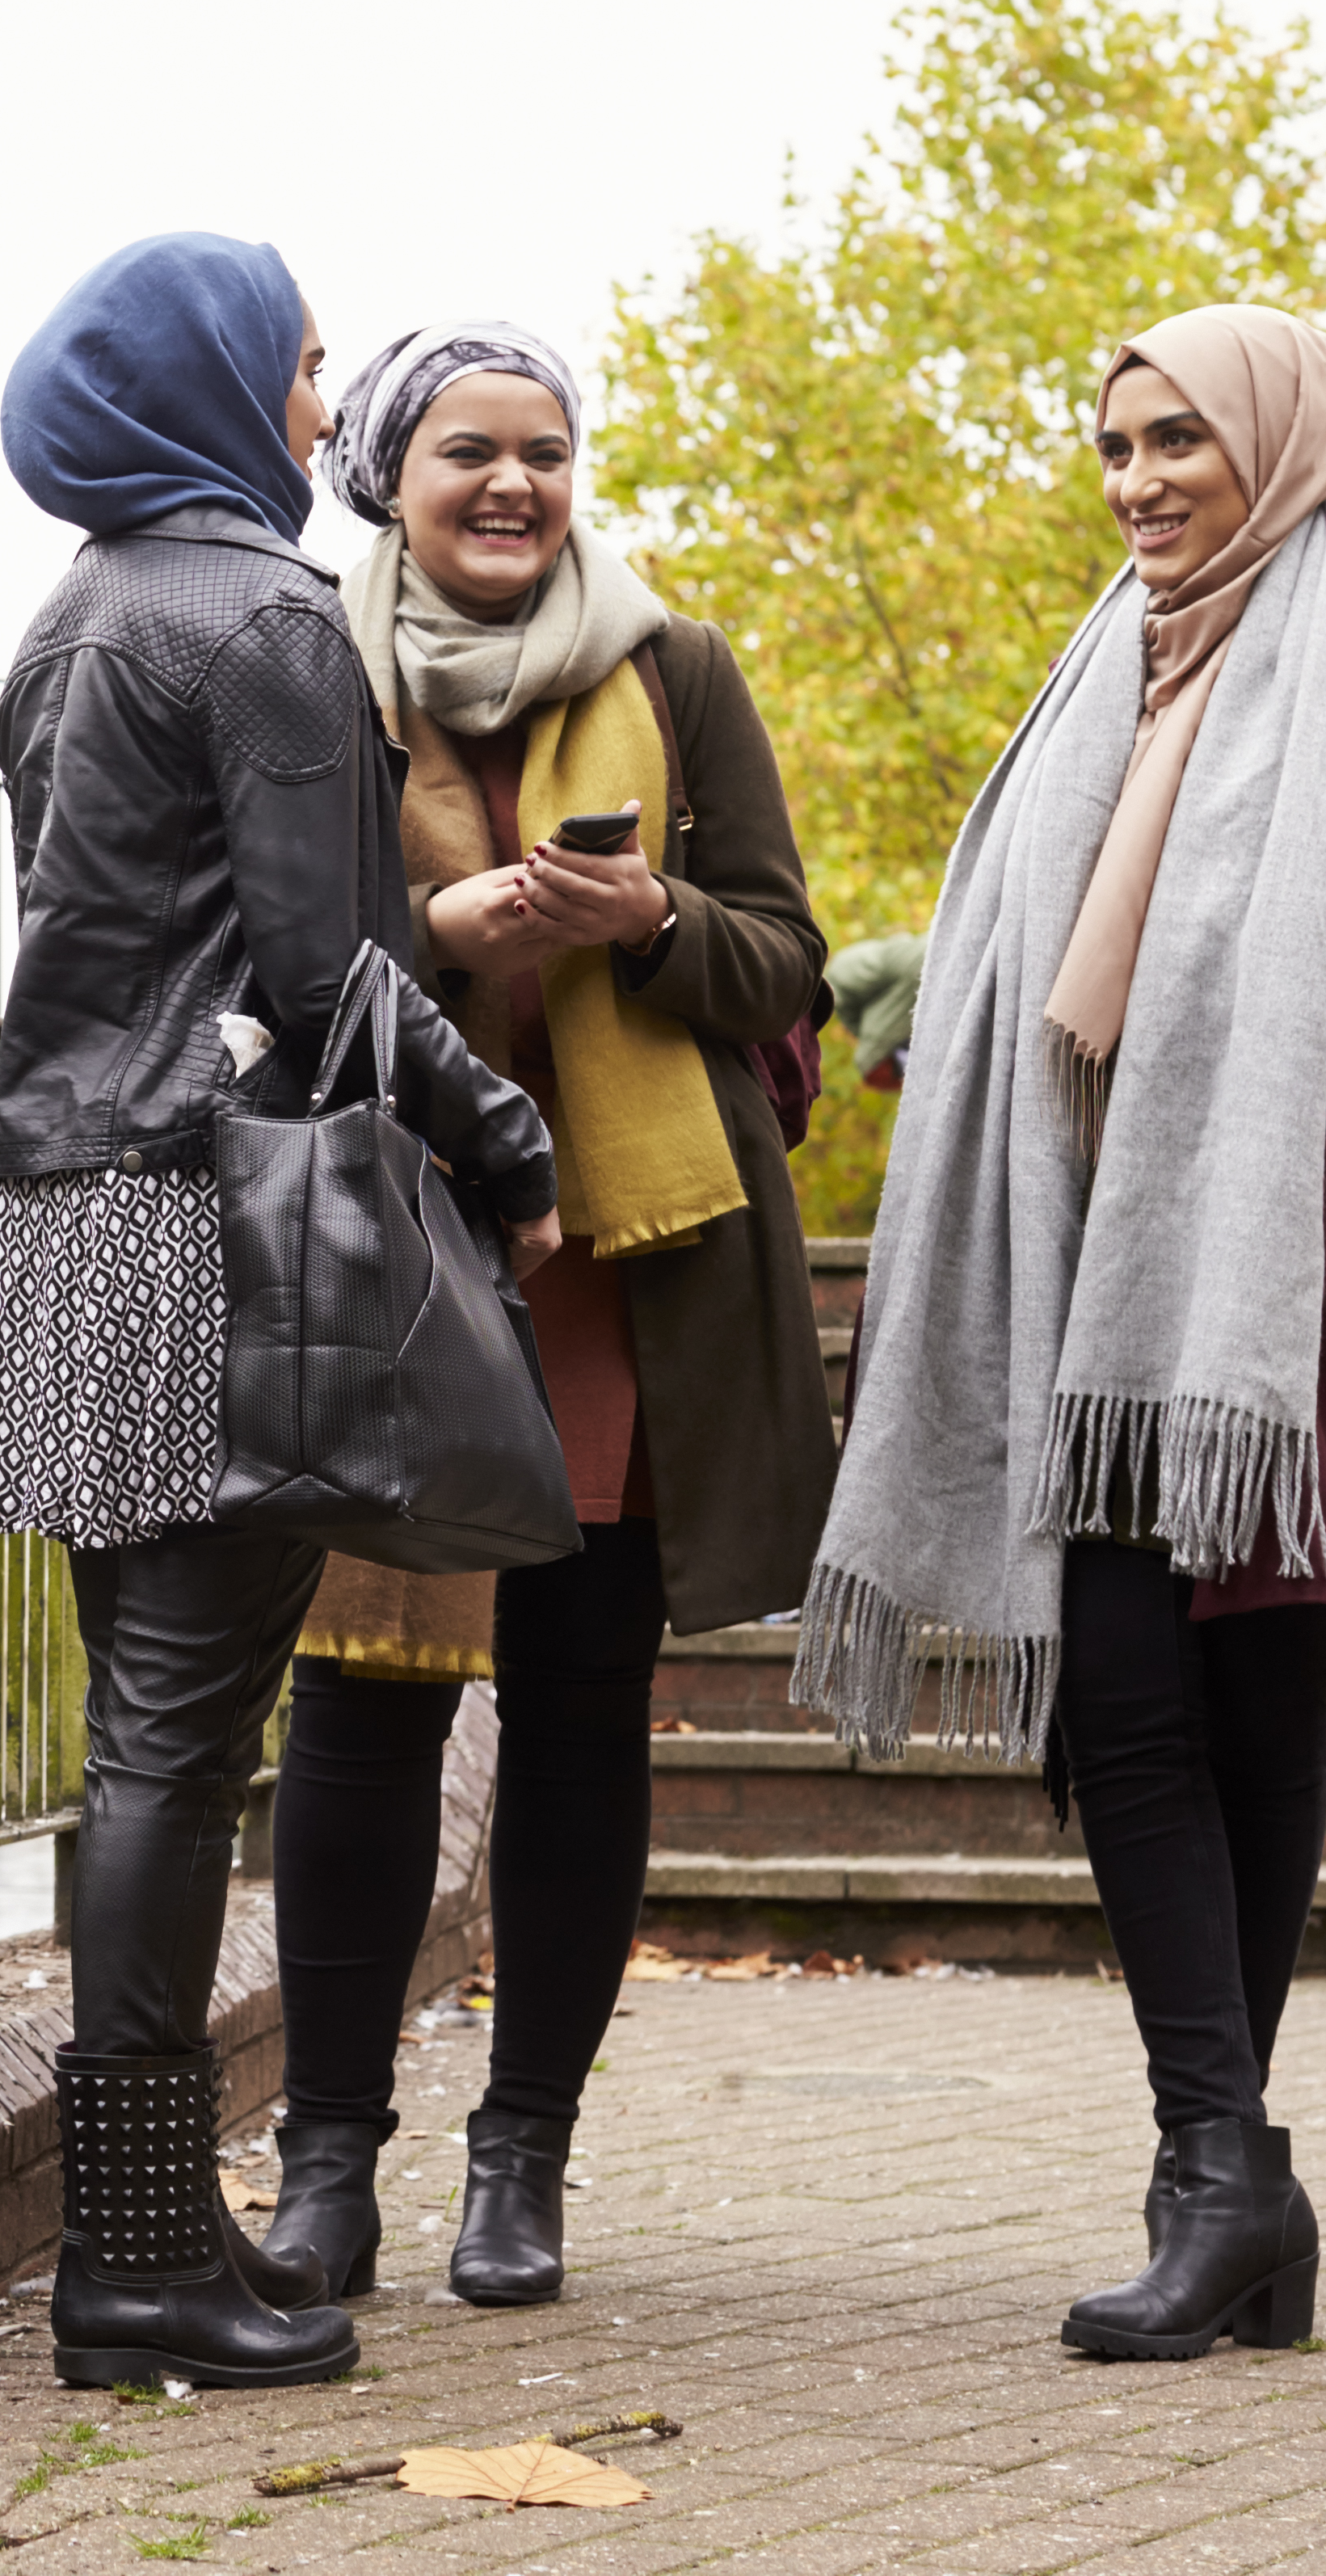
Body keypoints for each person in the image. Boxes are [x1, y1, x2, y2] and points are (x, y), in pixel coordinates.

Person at [799, 305, 1326, 2359]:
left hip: (1268, 1321)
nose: (1136, 482)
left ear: (1281, 444)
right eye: (1114, 445)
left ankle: (1219, 2183)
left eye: (1175, 442)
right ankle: (1229, 2171)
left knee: (1252, 1722)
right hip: (1081, 1296)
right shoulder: (1092, 691)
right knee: (1119, 1705)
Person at [0, 235, 562, 2392]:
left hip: (55, 1213)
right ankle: (128, 2259)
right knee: (181, 1753)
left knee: (146, 1748)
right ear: (208, 381)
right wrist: (505, 1144)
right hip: (215, 1223)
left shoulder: (68, 620)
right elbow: (327, 983)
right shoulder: (273, 621)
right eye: (297, 371)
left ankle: (155, 2223)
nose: (317, 411)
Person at [250, 323, 839, 2312]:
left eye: (548, 453)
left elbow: (786, 959)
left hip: (619, 1277)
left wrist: (649, 924)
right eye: (467, 454)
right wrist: (438, 937)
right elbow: (250, 955)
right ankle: (326, 2163)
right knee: (358, 1718)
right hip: (389, 1269)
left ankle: (526, 2163)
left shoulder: (672, 665)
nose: (513, 486)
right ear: (389, 477)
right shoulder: (309, 665)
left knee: (582, 1721)